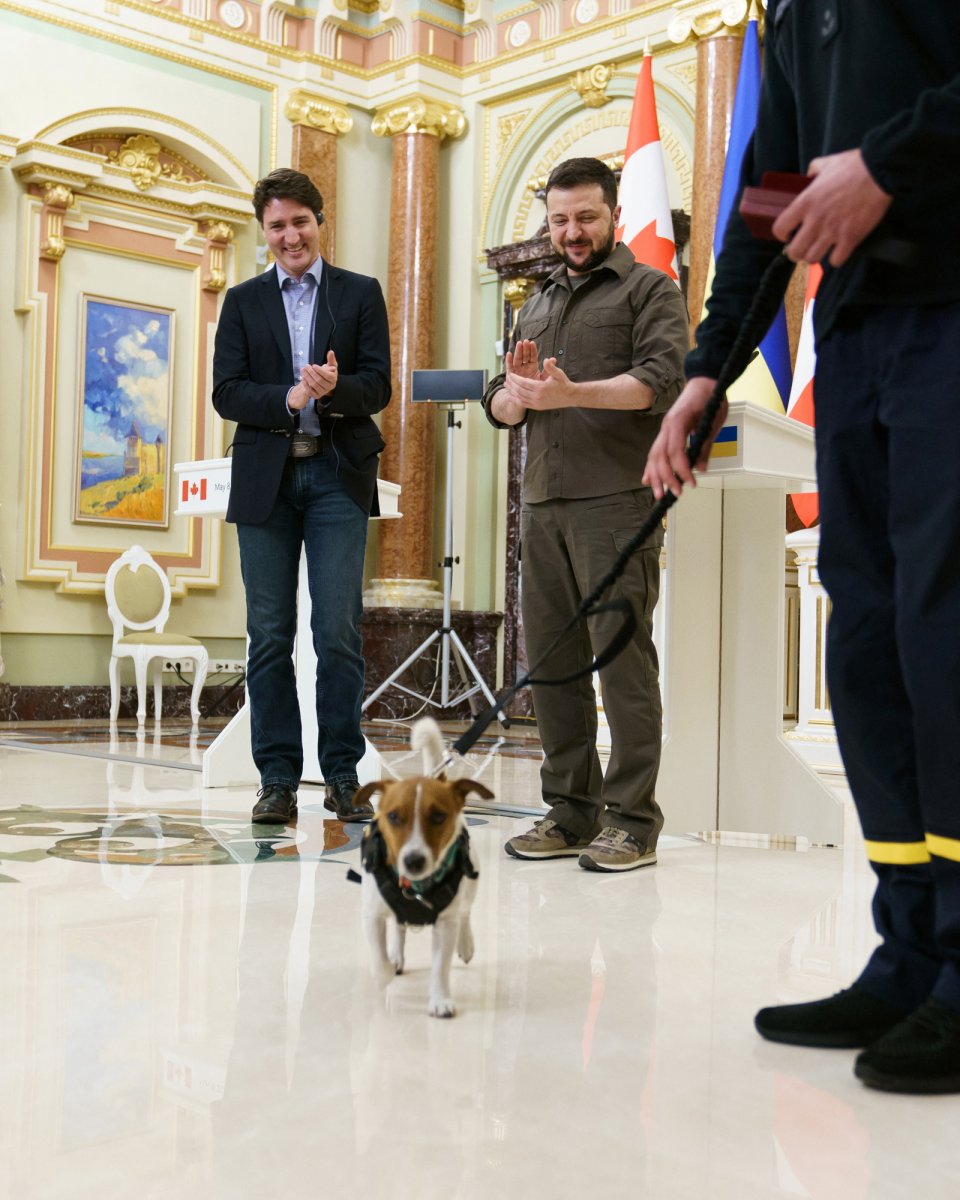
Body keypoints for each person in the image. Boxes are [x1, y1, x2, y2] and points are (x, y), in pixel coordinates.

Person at [643, 2, 960, 1093]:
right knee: (868, 638)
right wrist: (704, 369)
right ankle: (912, 947)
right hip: (862, 335)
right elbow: (770, 198)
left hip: (954, 313)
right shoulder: (791, 12)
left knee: (944, 637)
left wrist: (887, 163)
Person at [483, 156, 688, 873]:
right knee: (553, 668)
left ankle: (633, 821)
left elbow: (659, 384)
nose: (571, 232)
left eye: (586, 217)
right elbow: (500, 403)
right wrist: (518, 392)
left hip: (617, 503)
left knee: (621, 666)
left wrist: (571, 394)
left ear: (613, 214)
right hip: (541, 503)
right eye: (560, 220)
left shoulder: (649, 289)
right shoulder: (535, 302)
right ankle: (570, 811)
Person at [213, 168, 391, 827]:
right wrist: (289, 398)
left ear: (321, 222)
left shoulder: (359, 294)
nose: (291, 235)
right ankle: (278, 779)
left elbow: (378, 387)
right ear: (265, 233)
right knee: (268, 635)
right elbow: (226, 392)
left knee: (337, 632)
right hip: (267, 481)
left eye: (301, 221)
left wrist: (332, 389)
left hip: (336, 478)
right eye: (278, 226)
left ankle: (342, 775)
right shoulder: (242, 301)